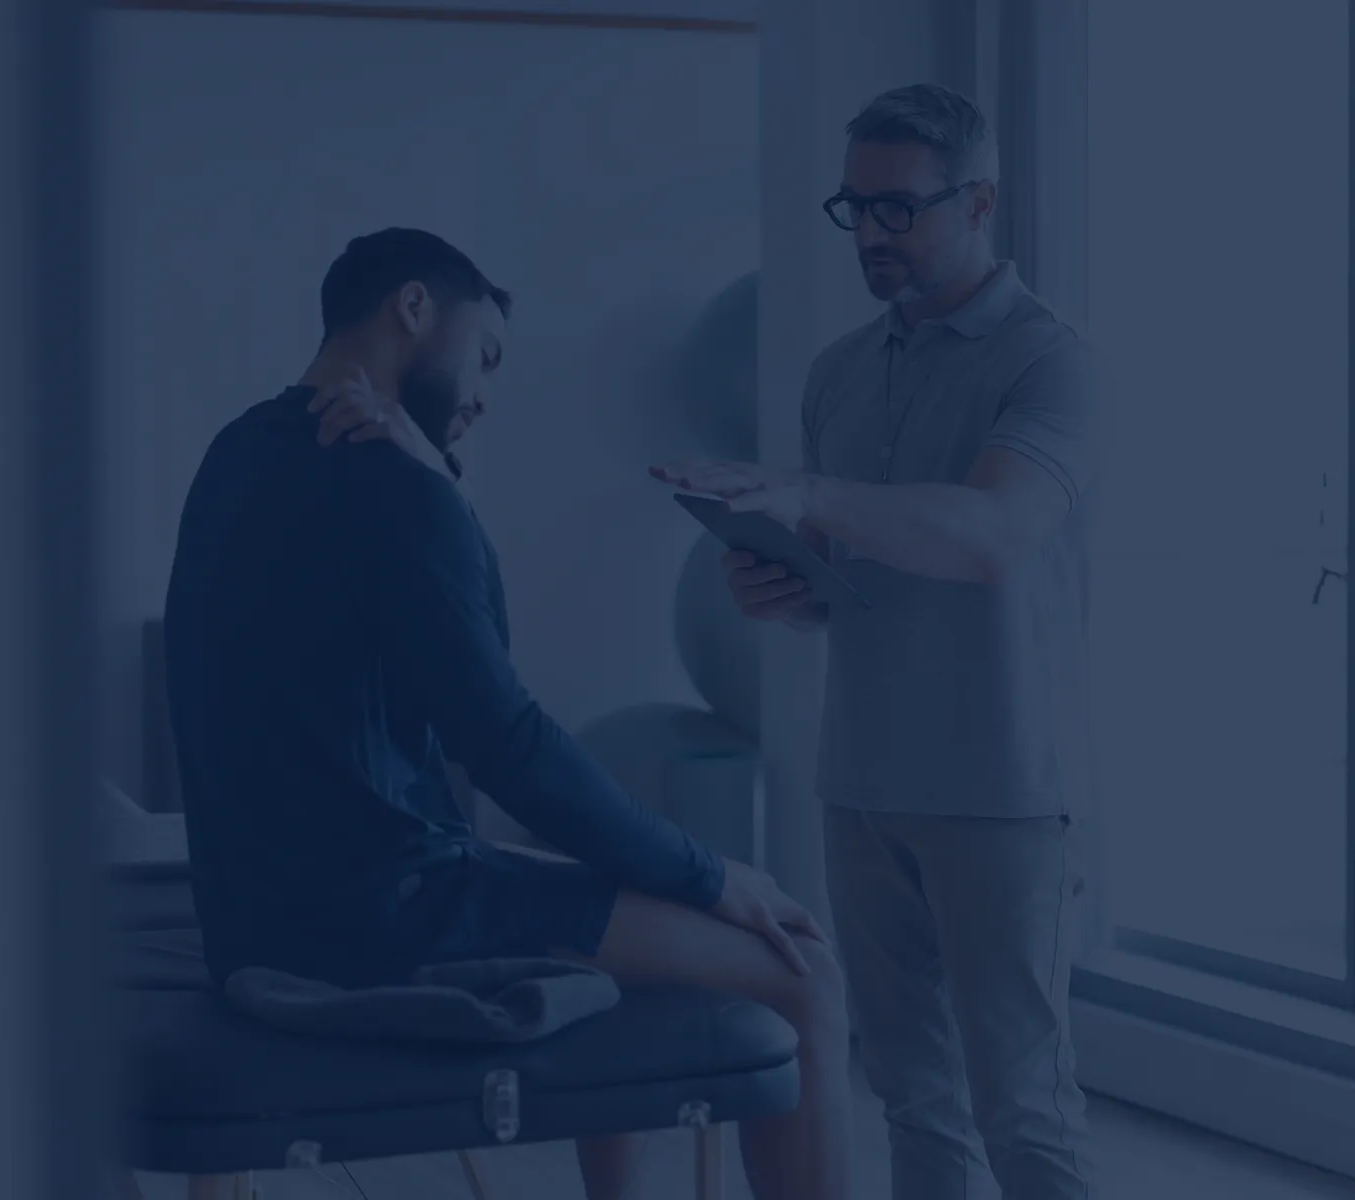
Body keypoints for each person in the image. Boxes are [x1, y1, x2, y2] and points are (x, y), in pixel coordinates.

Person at [163, 227, 855, 1200]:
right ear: (413, 308)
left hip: (258, 909)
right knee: (805, 974)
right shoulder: (387, 485)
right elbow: (507, 742)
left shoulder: (235, 453)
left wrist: (434, 484)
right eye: (484, 354)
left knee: (602, 882)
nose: (485, 395)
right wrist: (713, 877)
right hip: (373, 913)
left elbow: (466, 678)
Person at [654, 84, 1097, 1200]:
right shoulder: (838, 372)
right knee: (910, 1094)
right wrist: (782, 592)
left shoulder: (1050, 362)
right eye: (853, 208)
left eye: (898, 210)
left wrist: (806, 492)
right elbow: (853, 583)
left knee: (1022, 1109)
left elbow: (991, 533)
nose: (870, 236)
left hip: (998, 789)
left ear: (978, 201)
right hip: (858, 781)